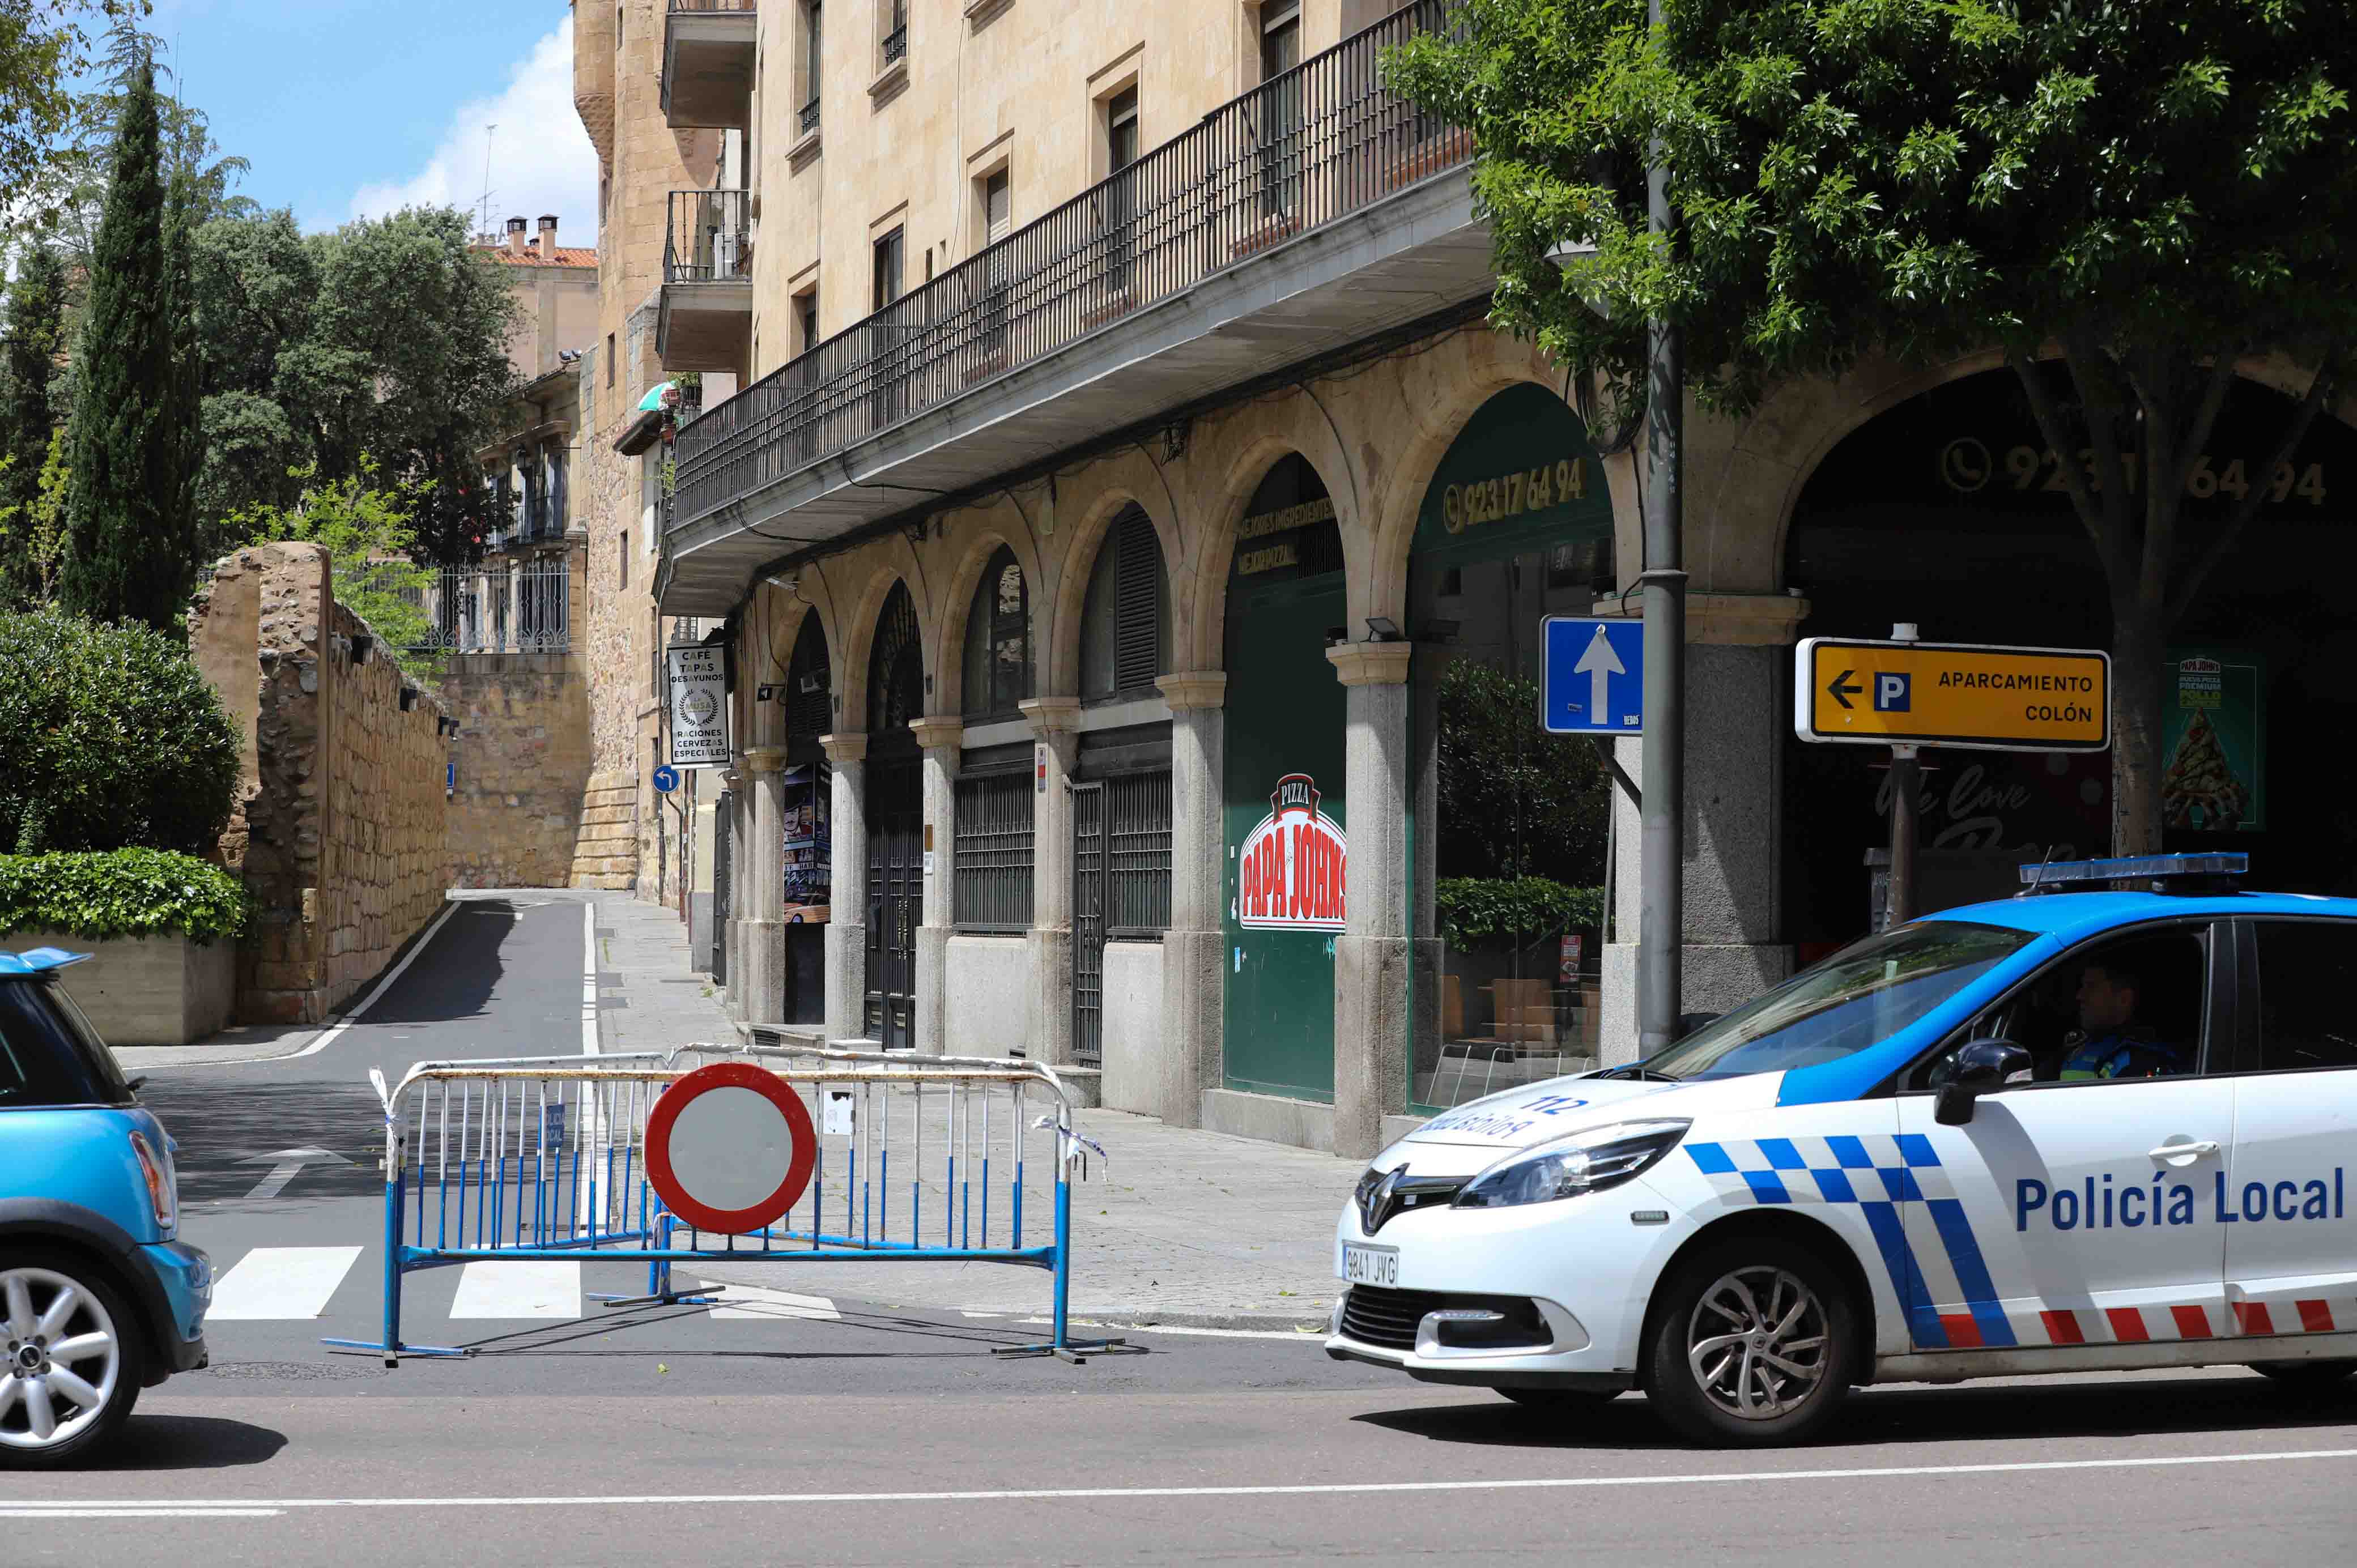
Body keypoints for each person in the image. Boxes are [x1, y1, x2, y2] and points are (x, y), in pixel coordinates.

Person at [2057, 960, 2185, 1080]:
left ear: (2124, 999)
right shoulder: (2080, 1045)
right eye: (2082, 986)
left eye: (2091, 987)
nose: (2080, 996)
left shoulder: (2138, 1059)